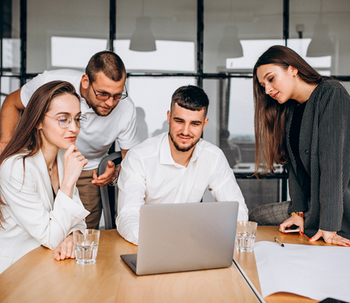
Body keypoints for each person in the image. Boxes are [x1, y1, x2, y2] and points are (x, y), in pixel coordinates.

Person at [0, 51, 139, 229]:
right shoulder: (51, 83)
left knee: (82, 234)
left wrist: (115, 173)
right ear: (85, 82)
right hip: (42, 161)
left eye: (117, 95)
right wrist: (5, 147)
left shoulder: (126, 109)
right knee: (34, 227)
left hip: (88, 170)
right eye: (103, 94)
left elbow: (131, 162)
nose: (110, 103)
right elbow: (11, 103)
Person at [116, 85, 248, 245]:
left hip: (192, 243)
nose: (186, 131)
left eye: (195, 124)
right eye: (179, 121)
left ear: (204, 124)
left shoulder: (213, 157)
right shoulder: (139, 157)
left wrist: (213, 237)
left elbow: (237, 210)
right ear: (169, 117)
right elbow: (127, 215)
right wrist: (160, 242)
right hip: (148, 244)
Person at [249, 45, 350, 247]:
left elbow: (332, 165)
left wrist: (329, 225)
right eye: (263, 85)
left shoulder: (331, 94)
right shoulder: (290, 110)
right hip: (312, 205)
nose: (267, 90)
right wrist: (297, 212)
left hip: (339, 203)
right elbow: (293, 168)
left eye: (271, 79)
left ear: (293, 68)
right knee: (256, 215)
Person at [0, 81, 90, 274]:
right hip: (16, 269)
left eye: (77, 119)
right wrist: (67, 184)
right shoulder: (16, 167)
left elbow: (78, 220)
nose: (74, 128)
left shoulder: (63, 158)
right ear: (39, 121)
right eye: (63, 119)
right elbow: (50, 236)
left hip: (49, 261)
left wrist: (73, 236)